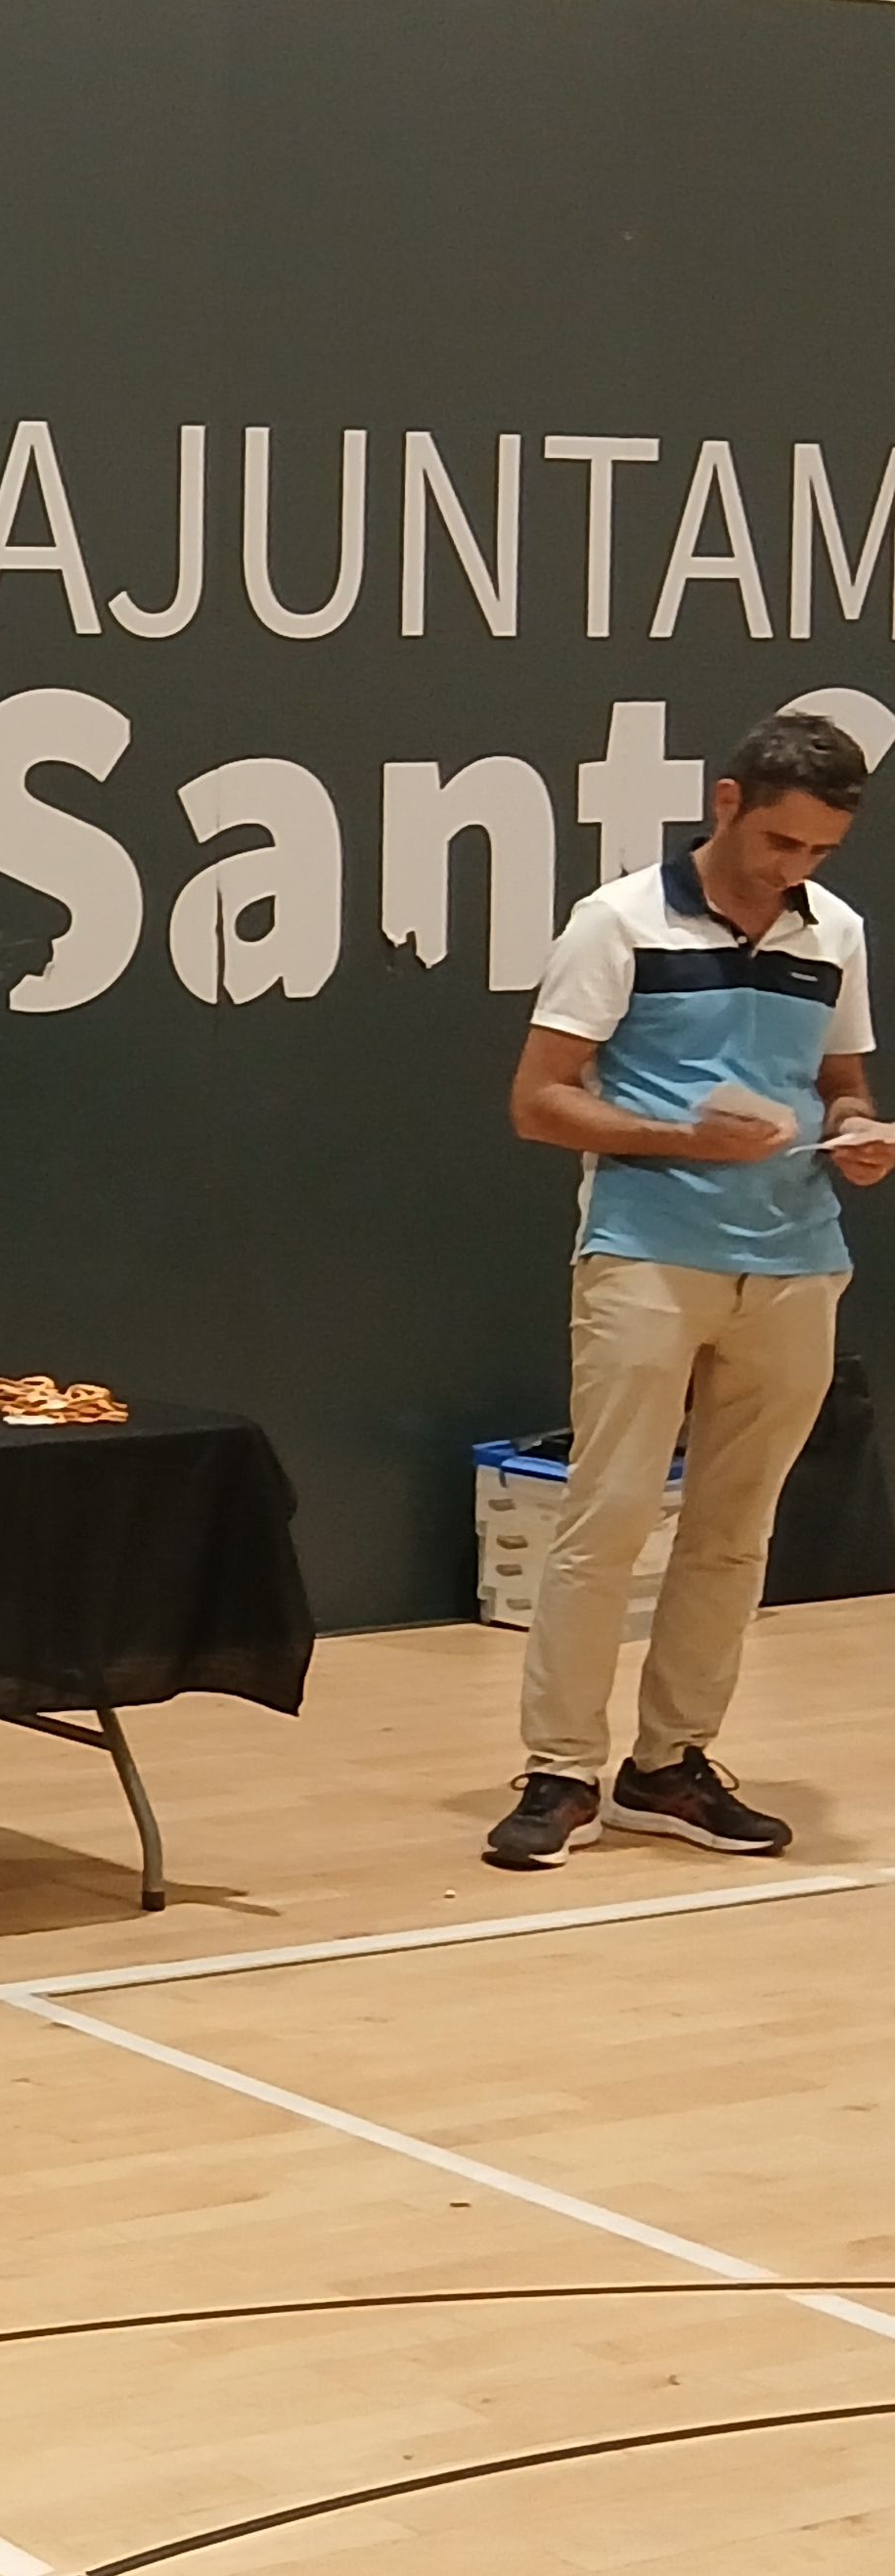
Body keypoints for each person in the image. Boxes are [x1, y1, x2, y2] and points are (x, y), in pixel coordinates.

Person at [486, 708, 893, 1869]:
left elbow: (842, 1079)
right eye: (780, 843)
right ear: (726, 803)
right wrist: (682, 1139)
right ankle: (559, 1770)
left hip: (798, 1258)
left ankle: (669, 1766)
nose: (794, 870)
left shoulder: (836, 932)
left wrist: (859, 1134)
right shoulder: (616, 920)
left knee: (734, 1532)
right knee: (605, 1515)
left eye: (818, 852)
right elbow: (539, 1100)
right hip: (648, 1248)